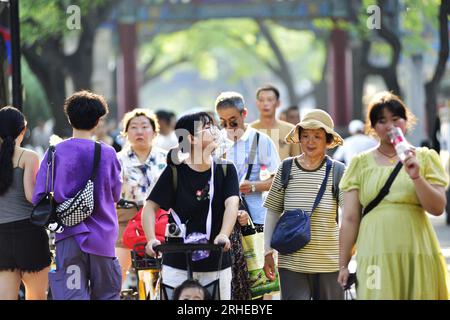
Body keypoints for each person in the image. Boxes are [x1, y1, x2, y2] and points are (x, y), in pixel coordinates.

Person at [338, 92, 449, 300]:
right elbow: (351, 218)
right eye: (381, 121)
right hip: (374, 250)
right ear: (372, 127)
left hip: (417, 248)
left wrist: (416, 176)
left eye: (396, 119)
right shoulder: (359, 164)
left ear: (406, 121)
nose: (389, 126)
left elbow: (437, 207)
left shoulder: (425, 157)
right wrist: (343, 264)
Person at [33, 91, 123, 300]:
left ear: (69, 117)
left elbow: (39, 195)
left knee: (72, 295)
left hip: (68, 235)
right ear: (98, 121)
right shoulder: (108, 153)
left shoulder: (55, 152)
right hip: (102, 235)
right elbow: (116, 193)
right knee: (107, 294)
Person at [142, 112, 240, 300]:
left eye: (213, 126)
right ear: (191, 139)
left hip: (217, 259)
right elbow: (150, 207)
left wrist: (223, 234)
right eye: (207, 127)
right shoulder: (175, 171)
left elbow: (232, 204)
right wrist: (151, 239)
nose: (214, 131)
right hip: (177, 260)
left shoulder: (226, 169)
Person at [263, 109, 345, 300]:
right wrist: (267, 250)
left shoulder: (338, 171)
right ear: (298, 137)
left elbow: (350, 216)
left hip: (329, 262)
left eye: (317, 136)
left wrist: (348, 255)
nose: (310, 141)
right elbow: (273, 211)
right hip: (291, 262)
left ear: (328, 140)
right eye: (305, 135)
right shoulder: (286, 167)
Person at [215, 91, 280, 300]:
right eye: (222, 122)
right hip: (225, 222)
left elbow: (279, 181)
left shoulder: (261, 141)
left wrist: (253, 186)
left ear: (244, 114)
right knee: (230, 284)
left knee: (260, 284)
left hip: (257, 220)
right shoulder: (216, 143)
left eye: (232, 121)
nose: (227, 127)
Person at [0, 107, 51, 300]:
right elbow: (32, 197)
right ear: (23, 131)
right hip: (29, 234)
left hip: (1, 237)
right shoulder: (28, 157)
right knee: (37, 296)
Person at [116, 108, 167, 284]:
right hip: (126, 219)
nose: (139, 131)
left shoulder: (167, 158)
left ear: (154, 132)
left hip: (158, 219)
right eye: (133, 127)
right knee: (118, 275)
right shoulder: (116, 160)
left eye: (145, 126)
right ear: (125, 133)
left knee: (158, 277)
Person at [250, 85, 301, 160]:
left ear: (278, 103)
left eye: (270, 100)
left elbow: (297, 160)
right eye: (261, 100)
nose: (265, 104)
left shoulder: (291, 130)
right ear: (257, 103)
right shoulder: (249, 130)